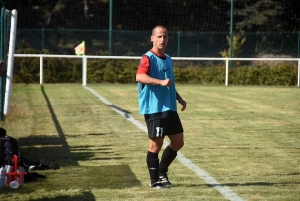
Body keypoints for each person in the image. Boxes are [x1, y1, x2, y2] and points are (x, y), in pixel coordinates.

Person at [136, 25, 187, 189]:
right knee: (155, 145)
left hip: (169, 107)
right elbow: (140, 76)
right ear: (152, 38)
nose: (162, 39)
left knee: (178, 142)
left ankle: (162, 171)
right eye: (159, 36)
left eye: (165, 36)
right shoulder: (147, 58)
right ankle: (154, 181)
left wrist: (179, 98)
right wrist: (160, 82)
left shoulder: (168, 58)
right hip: (155, 109)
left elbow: (169, 82)